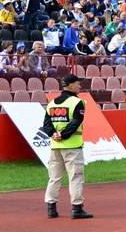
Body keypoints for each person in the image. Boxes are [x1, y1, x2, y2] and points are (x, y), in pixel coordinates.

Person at [42, 74, 93, 220]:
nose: (80, 86)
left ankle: (51, 208)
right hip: (72, 146)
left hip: (55, 146)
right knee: (75, 177)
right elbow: (76, 122)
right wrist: (63, 135)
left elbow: (46, 124)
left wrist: (54, 135)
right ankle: (77, 208)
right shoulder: (78, 102)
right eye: (77, 84)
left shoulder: (52, 103)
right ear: (69, 85)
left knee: (54, 177)